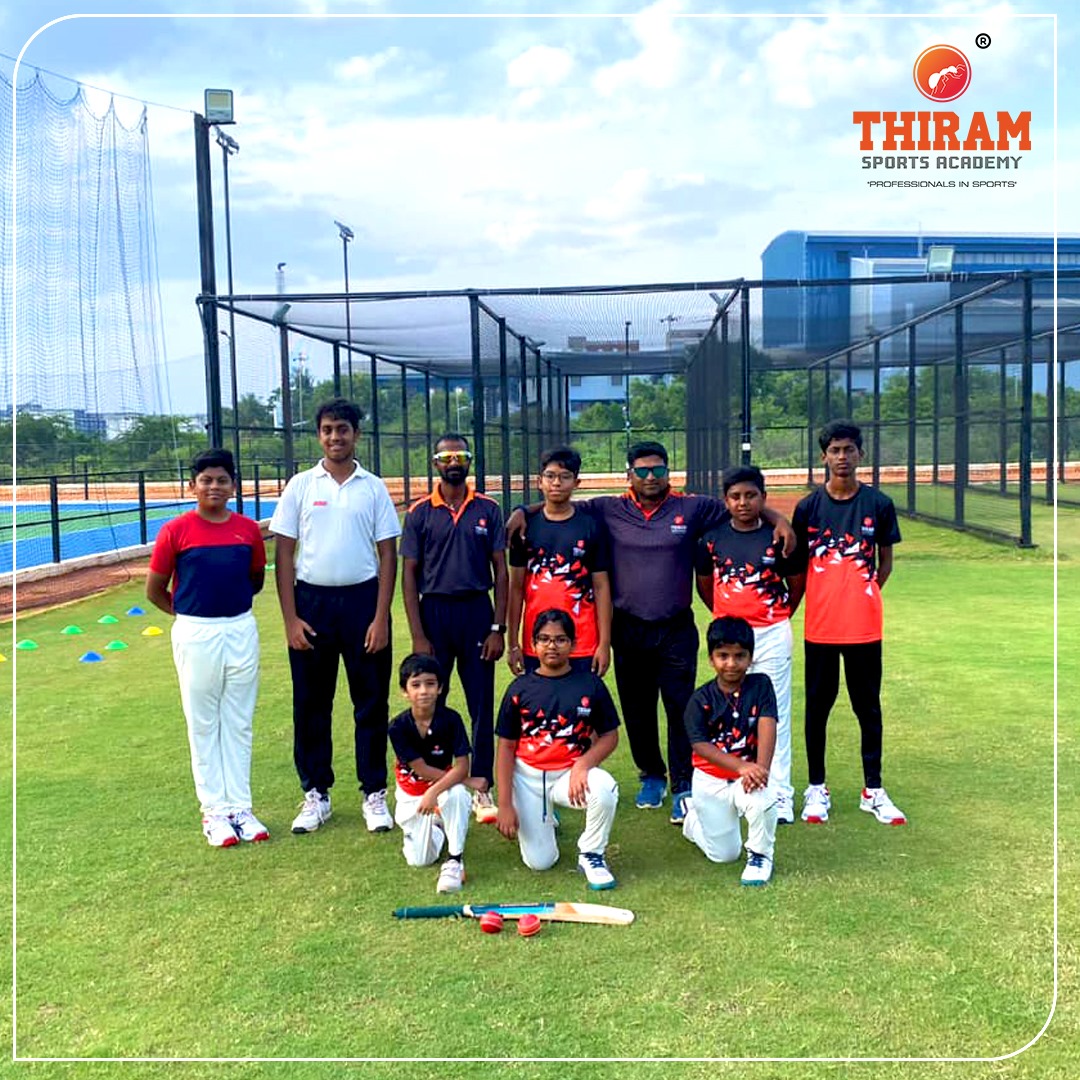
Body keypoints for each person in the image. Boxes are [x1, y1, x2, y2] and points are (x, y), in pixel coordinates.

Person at [507, 440, 794, 827]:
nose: (650, 477)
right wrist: (523, 511)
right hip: (628, 627)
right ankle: (652, 776)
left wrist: (780, 520)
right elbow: (560, 501)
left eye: (658, 470)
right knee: (638, 708)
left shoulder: (691, 507)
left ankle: (682, 784)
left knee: (680, 707)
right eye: (641, 470)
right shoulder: (609, 508)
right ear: (629, 475)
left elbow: (741, 503)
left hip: (675, 626)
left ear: (667, 472)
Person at [269, 398, 401, 835]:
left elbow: (388, 554)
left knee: (370, 703)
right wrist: (290, 619)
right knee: (310, 704)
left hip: (363, 603)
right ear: (319, 435)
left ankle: (373, 794)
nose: (334, 437)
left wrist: (381, 617)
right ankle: (316, 795)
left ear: (356, 434)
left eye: (342, 429)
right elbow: (284, 554)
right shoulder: (301, 486)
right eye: (327, 429)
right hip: (312, 605)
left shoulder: (373, 487)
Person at [146, 448, 269, 847]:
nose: (214, 486)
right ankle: (214, 812)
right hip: (195, 632)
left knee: (238, 720)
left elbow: (254, 580)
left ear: (233, 485)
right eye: (206, 480)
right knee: (203, 722)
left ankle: (240, 807)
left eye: (221, 479)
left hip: (240, 630)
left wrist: (224, 615)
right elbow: (155, 590)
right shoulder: (176, 530)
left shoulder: (248, 530)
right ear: (192, 485)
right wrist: (189, 617)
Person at [790, 419, 906, 826]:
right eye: (834, 451)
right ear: (823, 457)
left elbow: (885, 561)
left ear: (861, 454)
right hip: (820, 627)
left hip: (864, 627)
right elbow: (799, 568)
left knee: (867, 707)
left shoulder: (878, 504)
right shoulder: (808, 507)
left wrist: (865, 593)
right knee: (818, 707)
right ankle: (816, 789)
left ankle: (872, 789)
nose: (842, 457)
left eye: (849, 450)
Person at [400, 432, 507, 823]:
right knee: (431, 703)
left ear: (470, 461)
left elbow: (501, 570)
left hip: (477, 612)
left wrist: (499, 626)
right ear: (435, 463)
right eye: (446, 457)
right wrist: (417, 634)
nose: (453, 462)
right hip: (435, 614)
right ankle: (440, 785)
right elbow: (408, 576)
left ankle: (481, 785)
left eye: (460, 455)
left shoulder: (488, 509)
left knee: (481, 702)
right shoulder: (419, 513)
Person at [694, 465, 802, 824]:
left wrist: (777, 615)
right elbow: (706, 585)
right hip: (730, 639)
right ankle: (735, 784)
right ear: (726, 501)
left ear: (763, 498)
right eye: (736, 496)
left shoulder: (778, 536)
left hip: (771, 633)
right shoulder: (711, 539)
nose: (743, 502)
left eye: (751, 495)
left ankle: (779, 793)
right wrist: (727, 620)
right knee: (729, 712)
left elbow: (796, 584)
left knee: (773, 713)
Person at [495, 609, 621, 890]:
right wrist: (504, 804)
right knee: (541, 862)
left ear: (573, 645)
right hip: (528, 777)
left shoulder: (590, 684)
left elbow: (610, 736)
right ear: (534, 644)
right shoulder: (519, 688)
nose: (552, 646)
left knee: (605, 788)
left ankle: (591, 853)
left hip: (570, 775)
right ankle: (544, 818)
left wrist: (583, 764)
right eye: (544, 639)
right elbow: (505, 748)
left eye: (560, 639)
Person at [681, 616, 778, 886]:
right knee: (724, 855)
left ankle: (760, 855)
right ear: (711, 659)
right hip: (710, 780)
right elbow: (700, 745)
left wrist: (760, 769)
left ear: (750, 657)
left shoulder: (760, 685)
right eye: (723, 655)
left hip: (746, 777)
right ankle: (692, 822)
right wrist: (741, 767)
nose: (732, 663)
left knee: (764, 795)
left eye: (739, 656)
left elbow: (768, 723)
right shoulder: (700, 699)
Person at [506, 445, 612, 678]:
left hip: (583, 640)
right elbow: (515, 589)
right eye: (550, 476)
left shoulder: (591, 526)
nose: (556, 483)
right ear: (539, 481)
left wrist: (604, 644)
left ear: (576, 483)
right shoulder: (524, 528)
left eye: (565, 477)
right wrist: (513, 643)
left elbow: (602, 587)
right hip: (537, 641)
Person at [389, 654, 472, 893]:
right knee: (420, 860)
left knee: (457, 794)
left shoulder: (451, 719)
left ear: (440, 688)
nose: (423, 691)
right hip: (412, 793)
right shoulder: (397, 727)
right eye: (415, 685)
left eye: (430, 684)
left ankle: (455, 859)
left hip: (441, 787)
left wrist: (436, 791)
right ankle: (437, 824)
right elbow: (421, 769)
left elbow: (462, 764)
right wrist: (465, 779)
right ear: (404, 691)